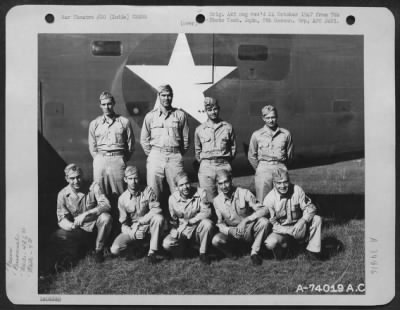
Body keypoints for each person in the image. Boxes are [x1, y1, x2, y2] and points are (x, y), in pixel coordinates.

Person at [52, 164, 112, 267]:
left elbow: (106, 205)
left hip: (94, 226)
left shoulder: (93, 187)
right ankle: (74, 254)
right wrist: (71, 226)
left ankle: (99, 251)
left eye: (78, 177)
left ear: (82, 176)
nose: (76, 181)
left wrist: (86, 214)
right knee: (58, 235)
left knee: (106, 218)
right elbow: (61, 219)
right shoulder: (62, 194)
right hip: (77, 228)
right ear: (66, 179)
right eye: (72, 178)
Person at [140, 84, 189, 209]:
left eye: (169, 95)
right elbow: (144, 140)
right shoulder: (150, 116)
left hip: (174, 156)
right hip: (156, 155)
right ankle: (156, 221)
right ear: (159, 96)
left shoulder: (180, 115)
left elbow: (186, 140)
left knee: (178, 191)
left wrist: (176, 154)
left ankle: (180, 222)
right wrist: (153, 154)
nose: (167, 98)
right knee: (153, 192)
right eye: (164, 95)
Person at [211, 170, 270, 265]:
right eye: (220, 183)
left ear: (231, 180)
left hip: (248, 229)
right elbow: (219, 223)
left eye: (226, 182)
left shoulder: (244, 193)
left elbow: (264, 210)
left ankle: (254, 253)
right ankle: (233, 255)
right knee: (216, 240)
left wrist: (246, 220)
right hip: (233, 233)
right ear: (217, 185)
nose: (224, 186)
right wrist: (229, 231)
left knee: (264, 222)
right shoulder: (217, 201)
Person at [263, 168, 322, 260]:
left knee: (317, 219)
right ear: (274, 184)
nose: (282, 186)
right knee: (270, 243)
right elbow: (272, 225)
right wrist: (288, 231)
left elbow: (311, 208)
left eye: (285, 182)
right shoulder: (269, 200)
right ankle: (288, 248)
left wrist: (302, 220)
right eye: (279, 183)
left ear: (289, 181)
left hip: (299, 228)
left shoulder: (297, 190)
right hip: (281, 232)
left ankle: (313, 253)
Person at [88, 91, 135, 206]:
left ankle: (121, 221)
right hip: (101, 160)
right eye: (103, 104)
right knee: (99, 192)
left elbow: (131, 145)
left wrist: (121, 159)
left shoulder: (124, 122)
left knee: (121, 193)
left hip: (118, 160)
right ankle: (104, 221)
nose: (106, 107)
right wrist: (99, 158)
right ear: (100, 105)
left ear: (113, 103)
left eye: (109, 104)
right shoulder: (94, 124)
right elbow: (92, 146)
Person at [110, 166, 164, 264]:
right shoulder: (122, 199)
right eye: (130, 179)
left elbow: (156, 209)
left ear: (139, 178)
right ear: (125, 179)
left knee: (158, 218)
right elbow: (123, 224)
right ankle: (136, 250)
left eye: (136, 178)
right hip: (133, 230)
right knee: (115, 249)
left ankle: (152, 253)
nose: (133, 182)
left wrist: (141, 221)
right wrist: (133, 233)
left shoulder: (147, 191)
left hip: (148, 227)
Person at [162, 172, 215, 264]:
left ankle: (203, 253)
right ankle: (186, 251)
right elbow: (173, 219)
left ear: (190, 183)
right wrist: (173, 229)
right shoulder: (172, 199)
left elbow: (207, 212)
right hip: (183, 230)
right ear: (176, 187)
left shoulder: (201, 192)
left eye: (187, 183)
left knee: (207, 223)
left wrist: (191, 221)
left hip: (197, 228)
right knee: (166, 244)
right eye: (181, 185)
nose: (185, 187)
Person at [248, 105, 294, 203]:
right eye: (268, 118)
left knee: (283, 199)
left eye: (273, 117)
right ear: (263, 118)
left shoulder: (285, 134)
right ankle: (263, 218)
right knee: (262, 200)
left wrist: (281, 166)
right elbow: (252, 156)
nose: (271, 120)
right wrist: (261, 168)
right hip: (263, 170)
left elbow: (289, 155)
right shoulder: (257, 134)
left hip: (280, 167)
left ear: (277, 117)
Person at [194, 97, 236, 203]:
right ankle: (210, 219)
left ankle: (226, 219)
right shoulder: (199, 130)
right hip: (206, 166)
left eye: (215, 109)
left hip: (223, 164)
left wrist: (225, 161)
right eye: (209, 110)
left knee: (227, 197)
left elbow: (233, 147)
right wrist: (205, 163)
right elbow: (197, 150)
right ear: (205, 111)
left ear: (219, 109)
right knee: (208, 199)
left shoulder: (227, 127)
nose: (213, 112)